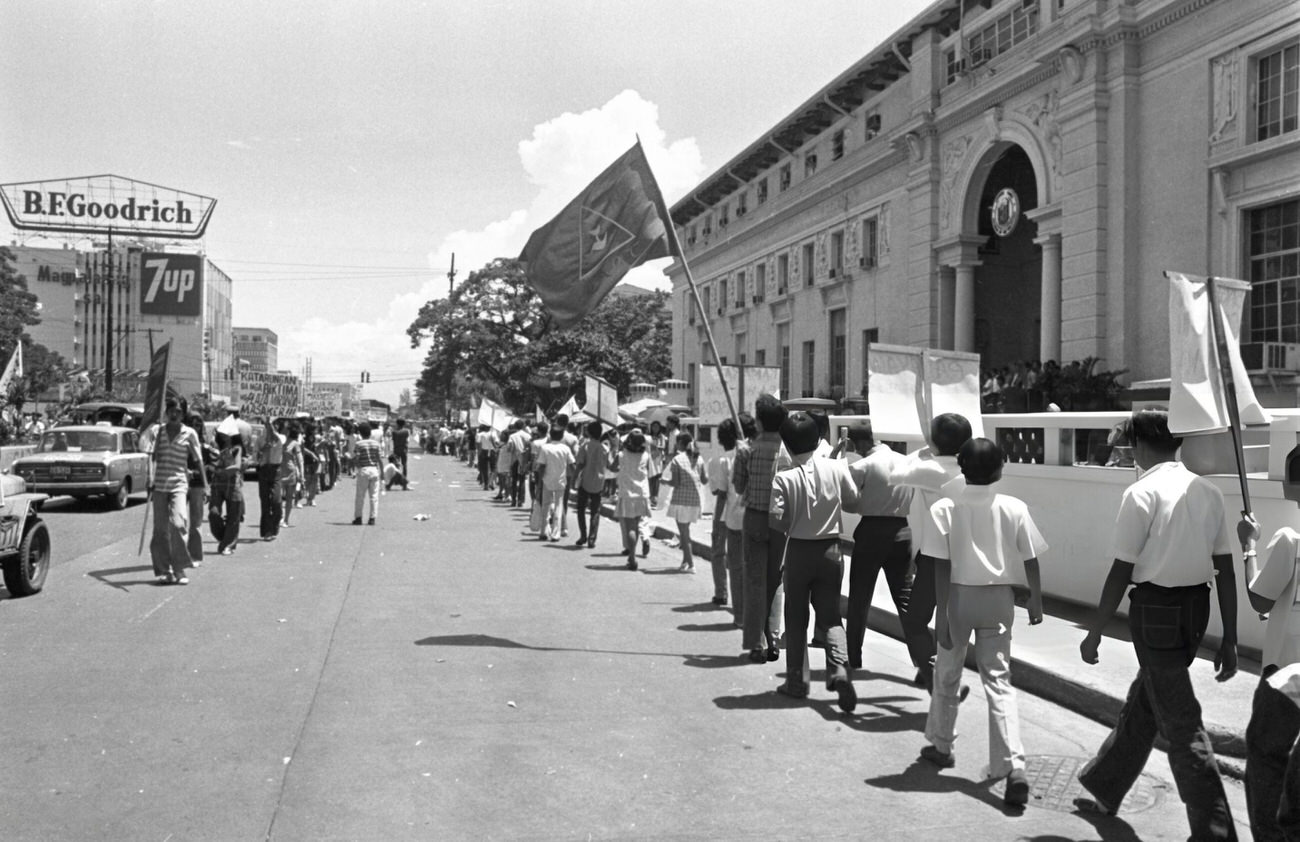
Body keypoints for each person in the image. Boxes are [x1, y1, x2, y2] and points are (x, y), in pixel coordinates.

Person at [1076, 410, 1238, 839]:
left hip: (1156, 612)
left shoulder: (1140, 493)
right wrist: (1231, 638)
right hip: (1195, 612)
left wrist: (1095, 630)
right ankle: (1106, 784)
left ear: (1139, 444)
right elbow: (1225, 567)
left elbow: (1120, 571)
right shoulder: (1208, 492)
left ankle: (1215, 831)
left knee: (1183, 725)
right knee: (1151, 695)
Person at [917, 438, 1046, 808]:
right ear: (1001, 468)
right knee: (999, 681)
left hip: (957, 598)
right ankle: (1013, 766)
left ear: (961, 468)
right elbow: (1031, 557)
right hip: (998, 601)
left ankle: (942, 745)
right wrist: (1035, 598)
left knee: (947, 673)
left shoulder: (944, 507)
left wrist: (941, 616)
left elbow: (940, 567)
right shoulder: (1013, 506)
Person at [769, 411, 860, 712]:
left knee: (796, 619)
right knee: (831, 616)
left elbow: (777, 521)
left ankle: (797, 681)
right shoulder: (836, 466)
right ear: (818, 438)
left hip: (798, 552)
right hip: (832, 551)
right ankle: (839, 671)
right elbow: (852, 502)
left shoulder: (783, 478)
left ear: (787, 445)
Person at [1236, 455, 1300, 842]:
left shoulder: (1290, 541)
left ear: (1289, 485)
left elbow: (1259, 600)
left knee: (1265, 758)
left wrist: (1249, 546)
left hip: (1286, 676)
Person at [889, 412, 973, 692]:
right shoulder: (971, 468)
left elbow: (896, 474)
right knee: (949, 622)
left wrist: (924, 449)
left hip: (936, 557)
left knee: (915, 621)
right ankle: (930, 671)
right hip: (967, 556)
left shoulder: (930, 469)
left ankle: (939, 678)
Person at [844, 421, 929, 675]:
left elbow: (848, 502)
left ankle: (854, 659)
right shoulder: (906, 461)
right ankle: (924, 660)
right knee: (906, 599)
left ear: (857, 443)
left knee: (859, 598)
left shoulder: (861, 466)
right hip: (902, 531)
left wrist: (863, 504)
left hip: (871, 531)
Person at [732, 393, 791, 664]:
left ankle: (757, 642)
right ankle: (774, 638)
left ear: (759, 421)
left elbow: (739, 487)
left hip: (755, 517)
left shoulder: (747, 449)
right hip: (781, 520)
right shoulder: (788, 451)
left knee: (755, 580)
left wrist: (741, 455)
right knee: (775, 580)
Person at [147, 398, 202, 585]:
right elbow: (151, 456)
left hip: (179, 485)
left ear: (183, 413)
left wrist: (206, 485)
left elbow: (198, 459)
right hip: (160, 486)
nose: (174, 413)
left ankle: (179, 569)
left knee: (179, 523)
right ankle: (164, 570)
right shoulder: (158, 431)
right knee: (160, 530)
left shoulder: (190, 433)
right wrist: (150, 477)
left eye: (178, 411)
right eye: (171, 410)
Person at [707, 418, 743, 610]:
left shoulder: (718, 461)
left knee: (718, 553)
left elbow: (717, 493)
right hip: (745, 514)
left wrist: (715, 522)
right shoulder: (748, 456)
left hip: (724, 514)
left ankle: (721, 592)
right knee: (739, 561)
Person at [664, 430, 705, 573]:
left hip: (680, 500)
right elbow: (704, 480)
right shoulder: (699, 459)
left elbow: (675, 483)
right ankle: (684, 562)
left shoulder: (677, 459)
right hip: (695, 500)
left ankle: (691, 563)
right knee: (685, 531)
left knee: (684, 534)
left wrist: (664, 481)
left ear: (681, 443)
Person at [613, 428, 653, 570]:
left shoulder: (622, 455)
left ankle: (632, 557)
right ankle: (634, 553)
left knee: (630, 528)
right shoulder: (646, 455)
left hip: (627, 494)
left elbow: (612, 467)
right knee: (636, 526)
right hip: (641, 493)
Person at [536, 424, 576, 542]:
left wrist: (539, 482)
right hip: (561, 481)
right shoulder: (565, 449)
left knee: (546, 505)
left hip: (547, 480)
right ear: (562, 436)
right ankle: (555, 533)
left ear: (551, 435)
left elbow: (541, 466)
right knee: (559, 505)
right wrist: (575, 478)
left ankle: (543, 531)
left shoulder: (545, 448)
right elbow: (572, 465)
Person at [573, 421, 609, 548]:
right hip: (599, 482)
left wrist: (574, 477)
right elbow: (607, 464)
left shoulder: (586, 445)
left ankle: (583, 535)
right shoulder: (605, 448)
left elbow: (580, 463)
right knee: (595, 511)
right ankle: (592, 538)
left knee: (581, 509)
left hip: (586, 480)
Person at [209, 430, 244, 555]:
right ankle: (225, 538)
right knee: (214, 514)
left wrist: (221, 472)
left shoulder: (236, 449)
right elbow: (210, 465)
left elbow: (237, 466)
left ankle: (227, 545)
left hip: (233, 485)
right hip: (217, 486)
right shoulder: (213, 448)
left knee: (233, 517)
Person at [183, 411, 210, 567]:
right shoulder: (181, 440)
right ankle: (179, 554)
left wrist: (207, 485)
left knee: (196, 521)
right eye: (192, 423)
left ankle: (194, 556)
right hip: (180, 483)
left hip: (198, 484)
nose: (196, 426)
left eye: (199, 423)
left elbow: (209, 465)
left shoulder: (205, 445)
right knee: (178, 521)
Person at [257, 418, 285, 541]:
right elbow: (255, 457)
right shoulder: (260, 440)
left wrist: (270, 424)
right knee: (265, 502)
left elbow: (276, 438)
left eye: (271, 426)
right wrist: (263, 449)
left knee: (276, 500)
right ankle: (267, 531)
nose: (268, 428)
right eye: (266, 425)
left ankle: (275, 523)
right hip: (263, 470)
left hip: (276, 471)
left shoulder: (280, 438)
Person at [352, 421, 383, 525]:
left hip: (364, 470)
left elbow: (356, 458)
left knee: (360, 496)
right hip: (374, 470)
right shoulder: (376, 444)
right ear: (370, 433)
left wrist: (358, 467)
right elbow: (379, 459)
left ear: (360, 433)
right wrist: (382, 472)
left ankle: (358, 518)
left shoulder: (358, 444)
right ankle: (372, 518)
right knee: (374, 496)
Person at [279, 422, 303, 528]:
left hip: (291, 473)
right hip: (280, 472)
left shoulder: (295, 444)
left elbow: (300, 460)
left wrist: (301, 474)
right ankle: (280, 516)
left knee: (289, 498)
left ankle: (286, 520)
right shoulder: (282, 442)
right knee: (278, 497)